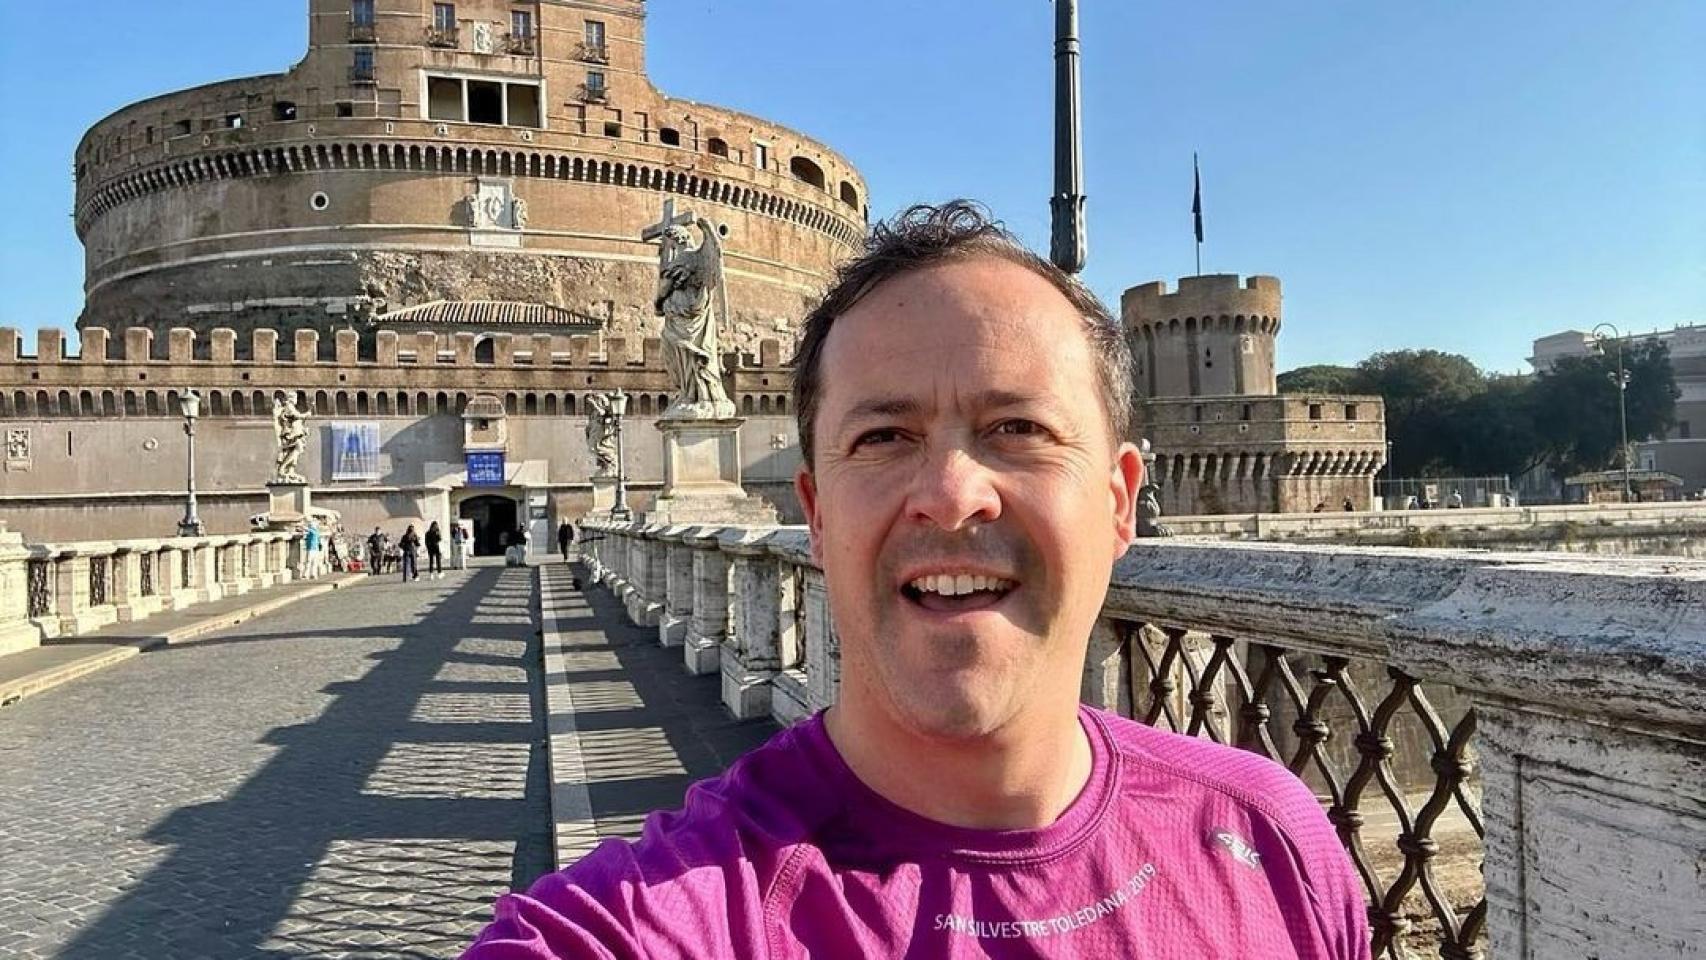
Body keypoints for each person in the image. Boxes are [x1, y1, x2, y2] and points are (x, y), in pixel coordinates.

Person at [463, 202, 1369, 958]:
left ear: (1121, 500)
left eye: (1018, 429)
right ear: (814, 515)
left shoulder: (1273, 836)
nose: (949, 495)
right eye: (884, 438)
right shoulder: (665, 917)